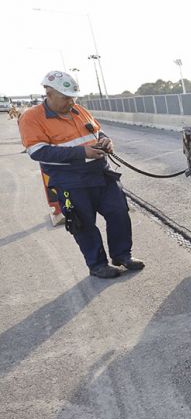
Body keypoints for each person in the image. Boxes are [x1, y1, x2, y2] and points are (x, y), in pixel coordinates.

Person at [18, 71, 144, 278]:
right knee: (83, 224)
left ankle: (122, 255)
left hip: (101, 173)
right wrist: (81, 152)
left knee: (119, 212)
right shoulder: (32, 118)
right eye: (66, 97)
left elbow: (97, 131)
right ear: (49, 93)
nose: (71, 102)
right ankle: (97, 265)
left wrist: (106, 141)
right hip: (70, 181)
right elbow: (37, 151)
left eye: (73, 97)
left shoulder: (78, 110)